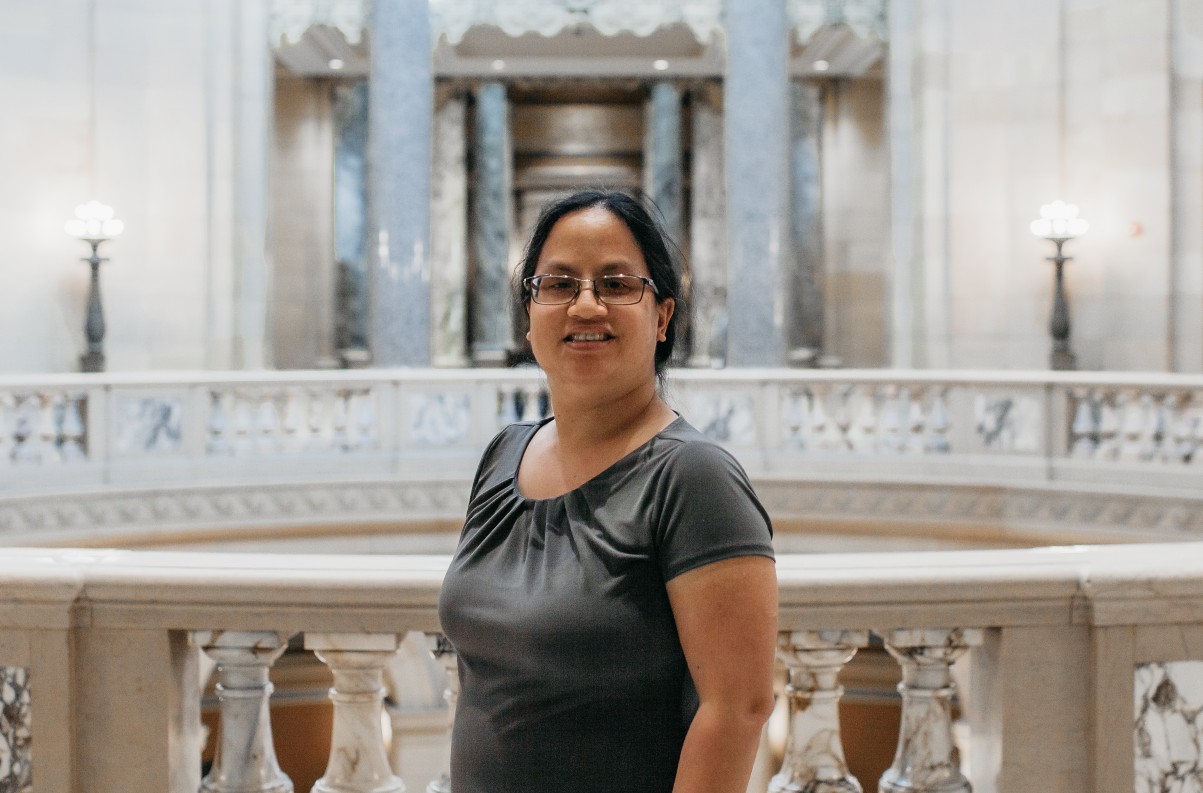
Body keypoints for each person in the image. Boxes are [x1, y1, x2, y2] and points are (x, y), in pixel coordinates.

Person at [438, 190, 778, 793]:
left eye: (618, 284)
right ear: (530, 311)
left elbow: (736, 709)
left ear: (663, 317)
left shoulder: (694, 478)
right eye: (560, 284)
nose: (586, 305)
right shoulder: (502, 458)